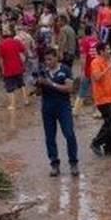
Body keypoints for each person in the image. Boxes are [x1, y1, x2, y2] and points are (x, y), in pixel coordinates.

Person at [35, 48, 79, 177]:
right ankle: (54, 164)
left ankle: (73, 163)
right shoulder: (42, 71)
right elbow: (37, 93)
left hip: (63, 106)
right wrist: (38, 84)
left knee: (69, 134)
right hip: (47, 106)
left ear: (56, 58)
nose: (48, 62)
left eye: (50, 59)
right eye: (46, 60)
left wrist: (51, 84)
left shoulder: (65, 70)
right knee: (50, 137)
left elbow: (70, 88)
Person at [88, 42, 111, 157]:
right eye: (107, 49)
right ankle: (96, 142)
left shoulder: (109, 61)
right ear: (101, 51)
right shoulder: (95, 62)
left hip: (110, 96)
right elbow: (97, 77)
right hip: (101, 97)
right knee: (110, 123)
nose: (109, 51)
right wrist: (109, 67)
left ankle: (109, 147)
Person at [0, 24, 28, 111]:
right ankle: (26, 100)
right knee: (21, 83)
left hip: (8, 69)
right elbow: (24, 50)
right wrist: (24, 61)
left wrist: (1, 70)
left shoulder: (1, 45)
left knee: (10, 88)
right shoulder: (16, 41)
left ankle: (12, 105)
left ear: (2, 36)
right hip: (18, 66)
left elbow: (0, 59)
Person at [73, 27, 99, 114]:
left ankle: (76, 110)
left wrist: (82, 71)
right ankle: (98, 111)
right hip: (97, 69)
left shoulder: (84, 42)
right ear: (92, 32)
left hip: (88, 69)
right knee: (96, 90)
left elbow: (83, 58)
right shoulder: (97, 41)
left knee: (83, 89)